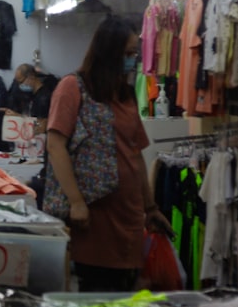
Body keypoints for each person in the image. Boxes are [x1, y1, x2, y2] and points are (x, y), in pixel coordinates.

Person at [45, 16, 173, 292]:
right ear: (108, 52)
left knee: (126, 297)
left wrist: (150, 208)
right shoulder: (73, 87)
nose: (132, 59)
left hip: (129, 216)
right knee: (98, 294)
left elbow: (135, 153)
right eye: (127, 53)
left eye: (134, 53)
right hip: (93, 217)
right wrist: (76, 202)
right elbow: (55, 145)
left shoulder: (126, 94)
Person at [7, 63, 58, 135]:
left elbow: (42, 125)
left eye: (21, 82)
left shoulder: (44, 98)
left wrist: (18, 117)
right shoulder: (31, 95)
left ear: (31, 77)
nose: (19, 86)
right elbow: (32, 117)